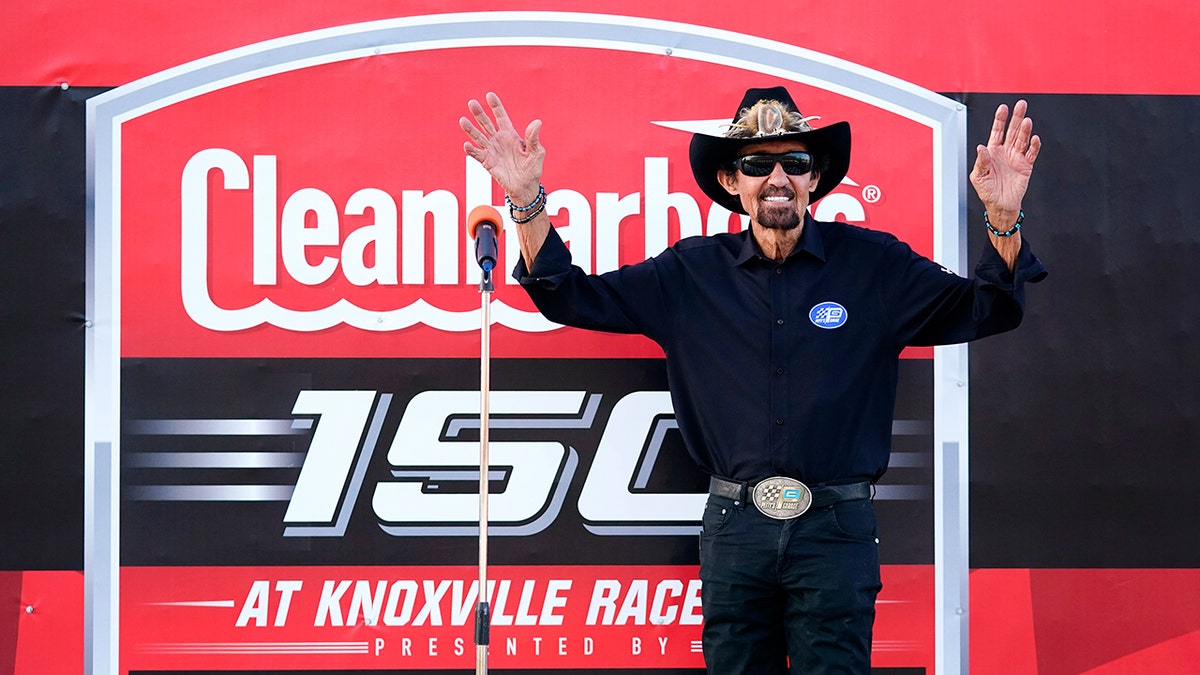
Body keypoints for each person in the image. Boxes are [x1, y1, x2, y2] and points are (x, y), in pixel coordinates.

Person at [460, 86, 1046, 674]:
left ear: (814, 178)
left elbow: (990, 308)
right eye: (757, 164)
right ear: (731, 180)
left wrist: (1001, 218)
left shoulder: (875, 266)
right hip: (735, 532)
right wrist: (526, 198)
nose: (777, 178)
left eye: (794, 163)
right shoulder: (689, 275)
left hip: (835, 532)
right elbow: (569, 296)